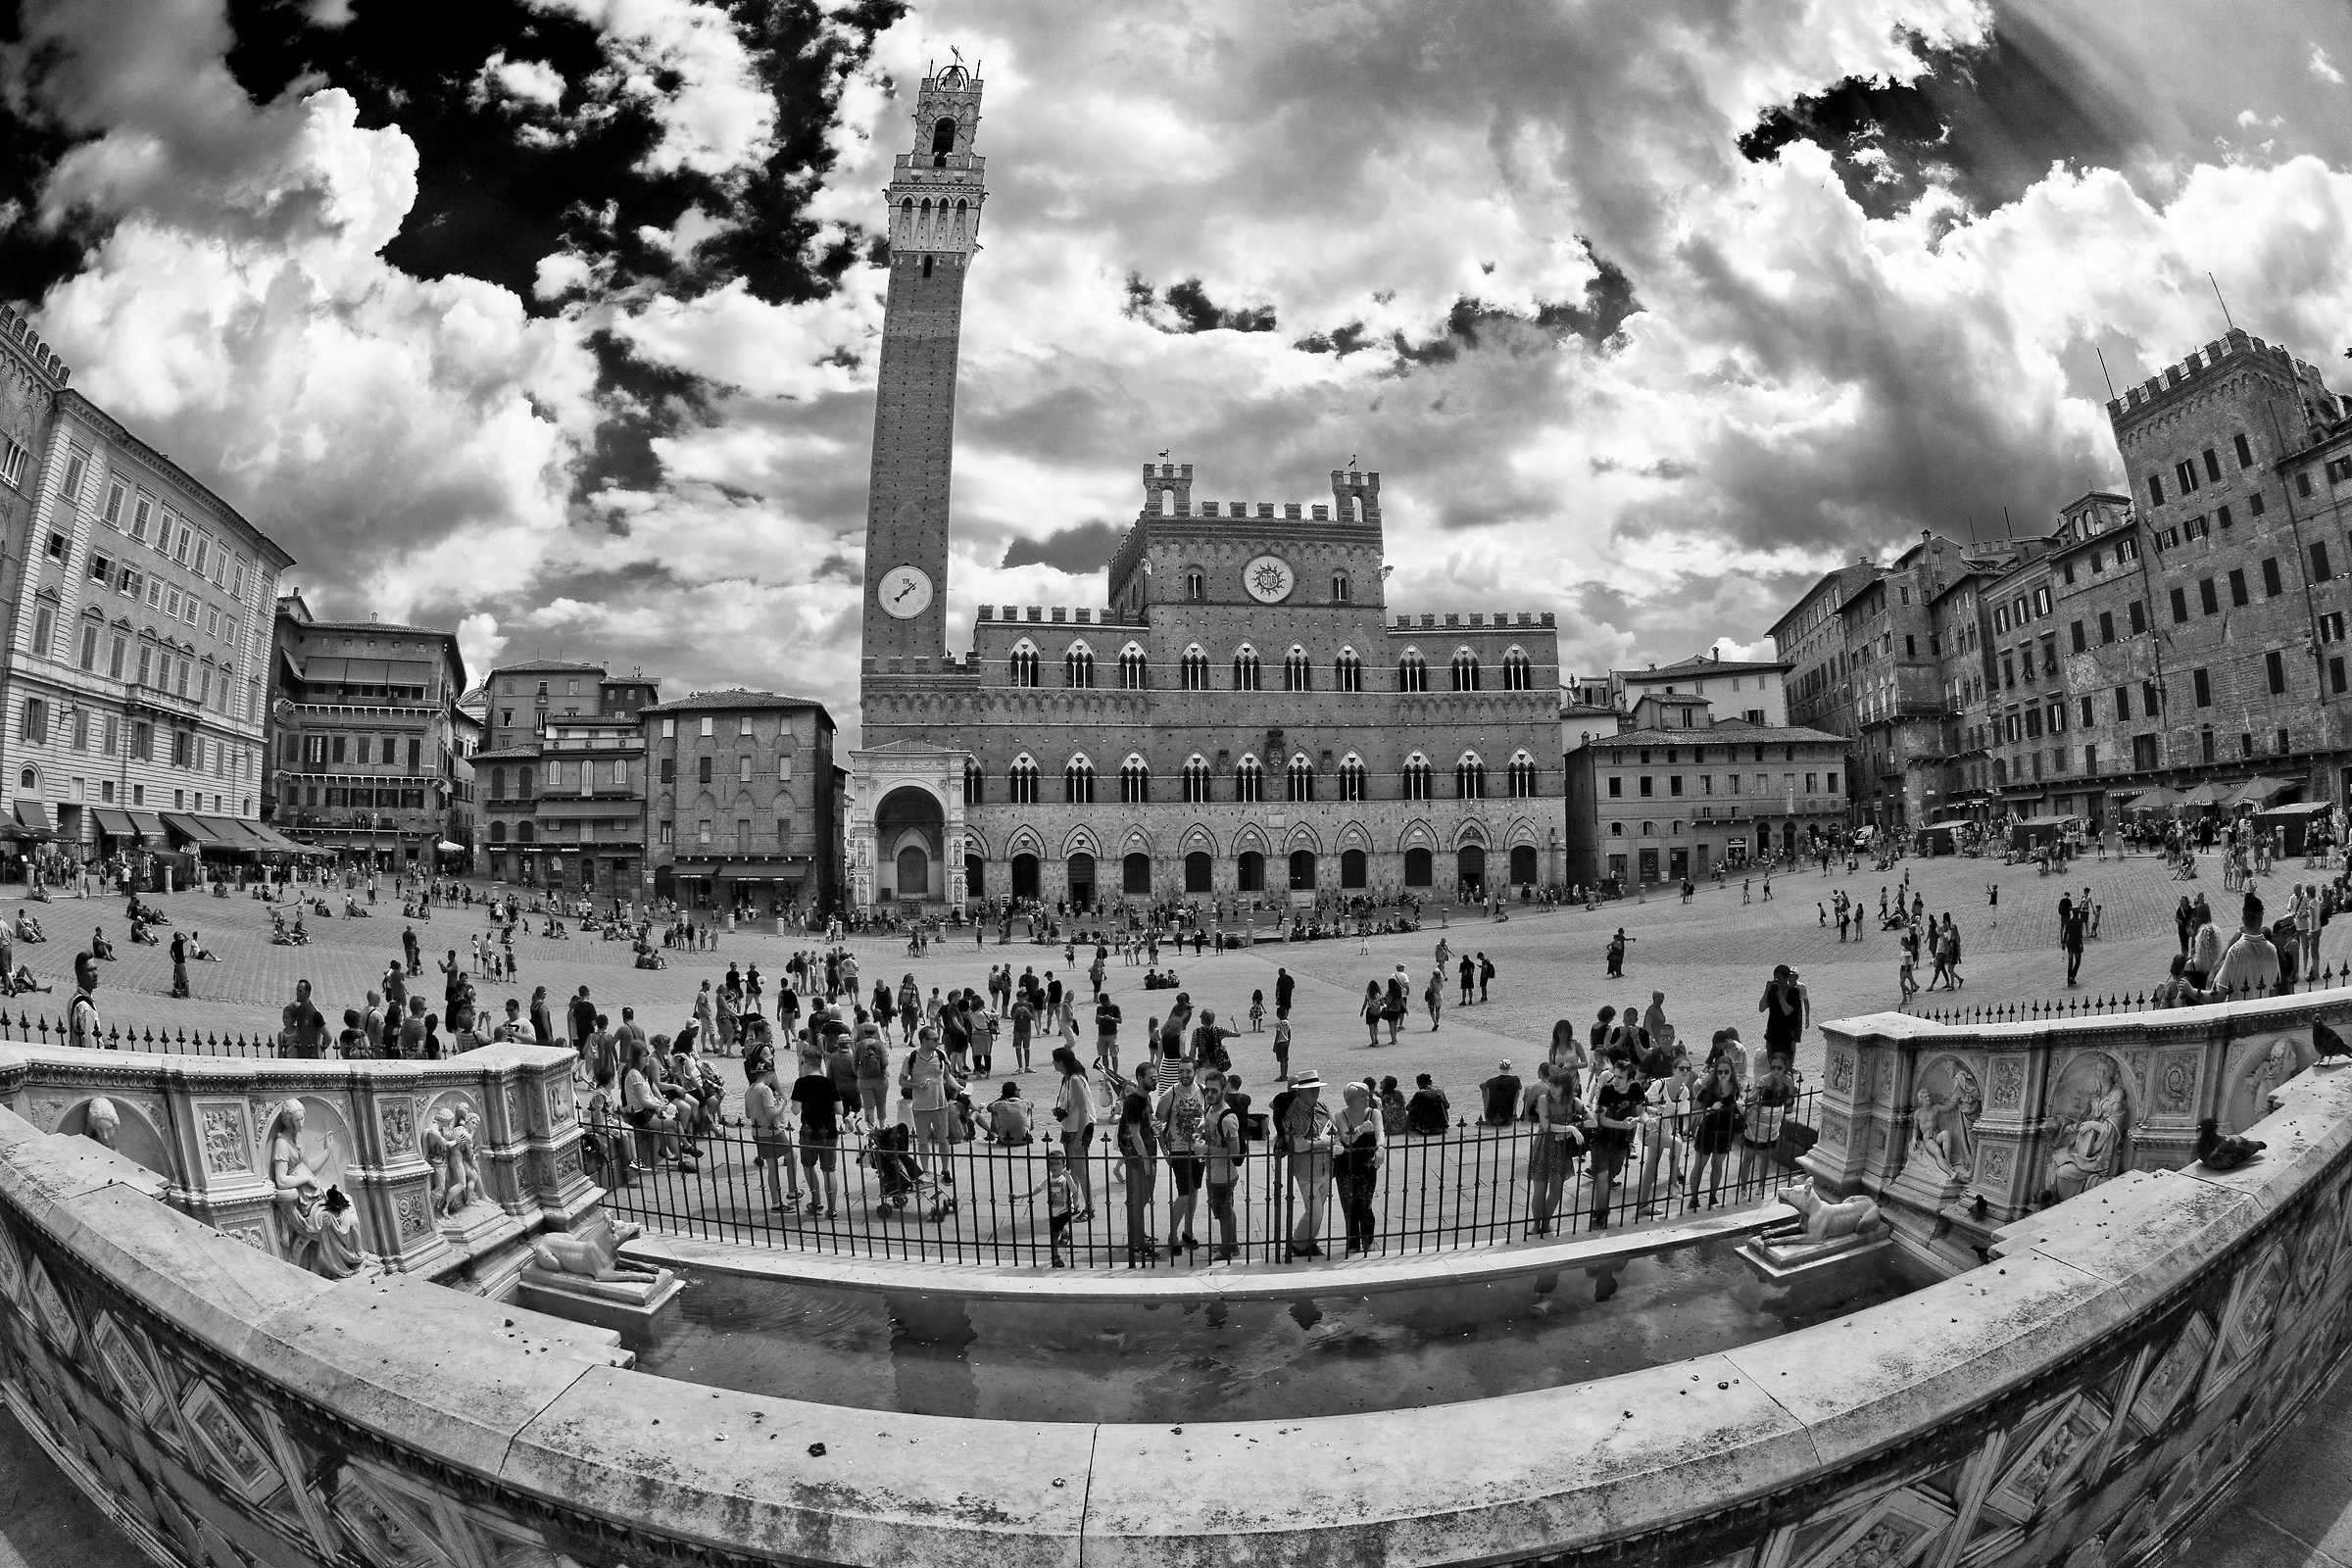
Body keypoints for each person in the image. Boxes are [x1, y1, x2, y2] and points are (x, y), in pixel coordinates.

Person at [1279, 1071, 1336, 1258]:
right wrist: (1324, 1144)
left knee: (1317, 1211)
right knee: (1315, 1213)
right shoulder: (1293, 1114)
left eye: (1317, 1088)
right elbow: (1298, 1144)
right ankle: (1298, 1244)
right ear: (1301, 1092)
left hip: (1324, 1167)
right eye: (1310, 1089)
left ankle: (1309, 1243)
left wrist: (1332, 1143)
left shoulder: (1322, 1107)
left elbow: (1331, 1130)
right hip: (1306, 1171)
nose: (1315, 1092)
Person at [1155, 1060, 1209, 1253]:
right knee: (1184, 1193)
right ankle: (1173, 1235)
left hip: (1198, 1148)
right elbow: (1158, 1123)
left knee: (1194, 1190)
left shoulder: (1203, 1091)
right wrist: (1164, 1151)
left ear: (1195, 1072)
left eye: (1188, 1071)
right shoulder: (1169, 1095)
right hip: (1178, 1148)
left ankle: (1188, 1231)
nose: (1184, 1075)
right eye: (1181, 1071)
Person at [1525, 1065, 1583, 1237]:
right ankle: (1536, 1225)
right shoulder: (1544, 1100)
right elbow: (1546, 1126)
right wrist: (1571, 1128)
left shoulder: (1573, 1101)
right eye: (1551, 1085)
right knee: (1540, 1188)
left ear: (1565, 1087)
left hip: (1561, 1147)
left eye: (1555, 1086)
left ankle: (1546, 1223)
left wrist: (1577, 1125)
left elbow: (1592, 1119)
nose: (1552, 1089)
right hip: (1544, 1145)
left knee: (1556, 1189)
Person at [1334, 1080, 1383, 1255]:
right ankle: (1352, 1240)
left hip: (1366, 1165)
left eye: (1367, 1095)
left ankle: (1368, 1238)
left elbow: (1380, 1132)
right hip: (1346, 1166)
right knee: (1349, 1205)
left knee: (1365, 1203)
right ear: (1351, 1099)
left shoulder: (1374, 1113)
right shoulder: (1341, 1115)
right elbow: (1346, 1139)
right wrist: (1360, 1130)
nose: (1366, 1098)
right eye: (1362, 1096)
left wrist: (1381, 1148)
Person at [791, 1050, 842, 1218]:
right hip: (829, 1131)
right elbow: (839, 1110)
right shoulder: (830, 1083)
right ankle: (832, 1209)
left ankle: (816, 1201)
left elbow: (796, 1110)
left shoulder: (801, 1083)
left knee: (809, 1165)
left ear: (806, 1063)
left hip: (809, 1131)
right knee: (829, 1170)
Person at [745, 1059, 800, 1216]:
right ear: (769, 1074)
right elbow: (771, 1114)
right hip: (771, 1131)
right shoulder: (765, 1090)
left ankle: (777, 1201)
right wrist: (782, 1104)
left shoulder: (750, 1089)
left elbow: (748, 1113)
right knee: (792, 1156)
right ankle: (791, 1190)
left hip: (758, 1133)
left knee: (772, 1165)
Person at [1051, 1046, 1097, 1221]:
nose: (1053, 1063)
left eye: (1055, 1060)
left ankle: (1089, 1207)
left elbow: (1084, 1110)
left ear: (1061, 1062)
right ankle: (1074, 1204)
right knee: (1073, 1169)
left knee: (1081, 1170)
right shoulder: (1066, 1078)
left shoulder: (1076, 1079)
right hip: (1068, 1127)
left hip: (1079, 1129)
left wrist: (1079, 1137)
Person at [1689, 1057, 1741, 1209]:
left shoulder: (1734, 1089)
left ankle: (1712, 1196)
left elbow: (1737, 1106)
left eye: (1726, 1071)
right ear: (1715, 1073)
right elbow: (1695, 1110)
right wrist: (1710, 1109)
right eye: (1720, 1072)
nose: (1723, 1075)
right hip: (1708, 1131)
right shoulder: (1709, 1089)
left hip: (1725, 1132)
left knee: (1717, 1165)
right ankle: (1693, 1198)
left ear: (1731, 1072)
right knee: (1700, 1165)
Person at [1200, 1074, 1243, 1260]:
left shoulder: (1227, 1118)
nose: (1209, 1094)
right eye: (1207, 1090)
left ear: (1224, 1090)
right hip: (1216, 1171)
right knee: (1227, 1210)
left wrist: (1206, 1149)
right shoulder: (1211, 1110)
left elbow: (1234, 1151)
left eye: (1214, 1090)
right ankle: (1231, 1245)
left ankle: (1226, 1251)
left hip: (1222, 1174)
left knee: (1223, 1212)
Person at [2213, 892, 2283, 999]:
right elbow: (2273, 991)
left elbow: (2219, 996)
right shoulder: (2271, 950)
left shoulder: (2235, 951)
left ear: (2243, 919)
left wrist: (2191, 991)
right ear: (2261, 919)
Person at [1116, 1091, 1159, 1264]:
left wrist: (1156, 1127)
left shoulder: (1146, 1099)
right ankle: (1137, 1244)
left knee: (1141, 1200)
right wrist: (1146, 1160)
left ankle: (1138, 1235)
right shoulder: (1133, 1102)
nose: (1155, 1080)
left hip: (1146, 1155)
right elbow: (1134, 1134)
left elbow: (1149, 1124)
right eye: (1152, 1077)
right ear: (1142, 1078)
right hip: (1139, 1158)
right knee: (1139, 1200)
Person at [1759, 964, 1808, 1062]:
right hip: (1771, 1036)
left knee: (1785, 1067)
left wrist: (1780, 995)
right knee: (1772, 1067)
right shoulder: (1772, 991)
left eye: (1779, 980)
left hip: (1786, 1038)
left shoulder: (1794, 992)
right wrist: (1767, 990)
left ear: (1786, 979)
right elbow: (1761, 1008)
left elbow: (1787, 1011)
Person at [281, 979, 328, 1059]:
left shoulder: (314, 1013)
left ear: (307, 993)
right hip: (300, 1056)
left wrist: (319, 1050)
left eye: (300, 991)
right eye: (297, 990)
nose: (297, 993)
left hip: (313, 1057)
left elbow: (328, 1037)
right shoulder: (299, 1010)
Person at [68, 953, 104, 1050]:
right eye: (90, 970)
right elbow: (90, 1046)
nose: (95, 974)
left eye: (95, 969)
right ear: (80, 975)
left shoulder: (73, 999)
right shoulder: (85, 1008)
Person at [1479, 1059, 1522, 1126]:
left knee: (1485, 1089)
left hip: (1492, 1118)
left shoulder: (1492, 1081)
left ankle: (1487, 1112)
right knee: (1517, 1091)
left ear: (1499, 1068)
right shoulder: (1515, 1080)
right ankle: (1514, 1112)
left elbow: (1481, 1086)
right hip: (1508, 1118)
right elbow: (1520, 1087)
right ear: (1510, 1068)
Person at [169, 928, 189, 998]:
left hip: (177, 962)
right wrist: (182, 933)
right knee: (184, 979)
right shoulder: (180, 942)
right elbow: (187, 938)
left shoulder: (173, 944)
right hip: (181, 962)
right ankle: (183, 993)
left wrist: (173, 958)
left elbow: (170, 951)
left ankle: (180, 991)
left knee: (178, 976)